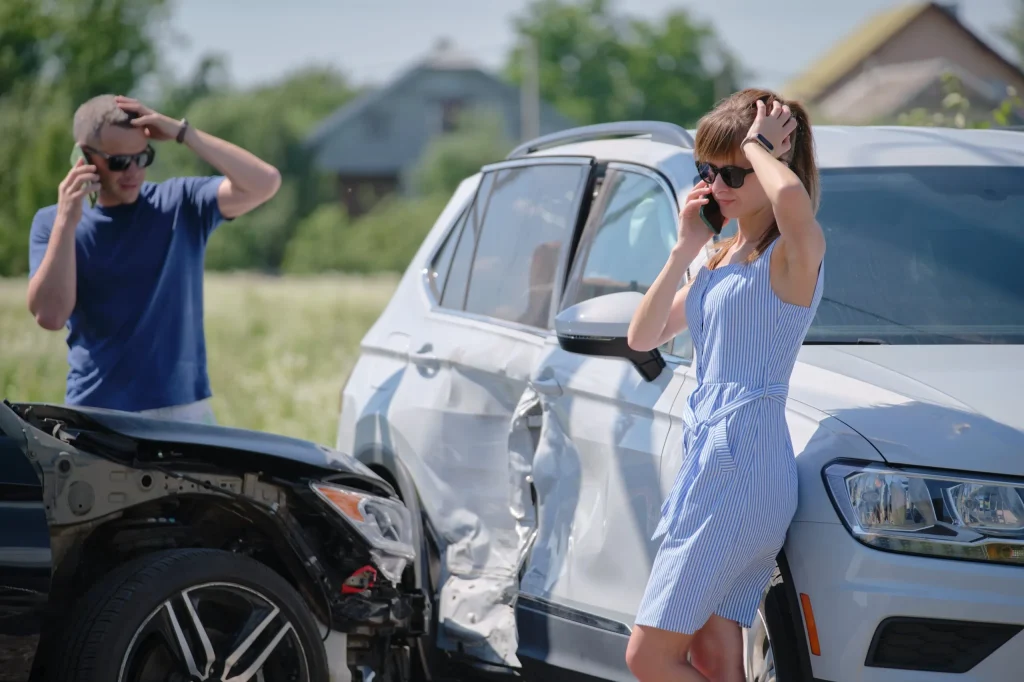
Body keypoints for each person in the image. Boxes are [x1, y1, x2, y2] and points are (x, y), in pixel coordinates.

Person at [623, 88, 825, 682]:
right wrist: (685, 246)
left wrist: (761, 150)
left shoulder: (792, 253)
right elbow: (644, 335)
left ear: (775, 161)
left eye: (735, 170)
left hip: (743, 460)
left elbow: (791, 201)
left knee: (648, 657)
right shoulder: (719, 258)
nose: (718, 184)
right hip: (711, 461)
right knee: (713, 659)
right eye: (707, 170)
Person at [27, 94, 282, 424]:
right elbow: (49, 315)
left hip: (184, 411)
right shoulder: (52, 223)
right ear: (83, 158)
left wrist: (182, 133)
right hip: (97, 413)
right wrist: (67, 220)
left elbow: (265, 183)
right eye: (119, 162)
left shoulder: (180, 203)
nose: (133, 171)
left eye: (142, 157)